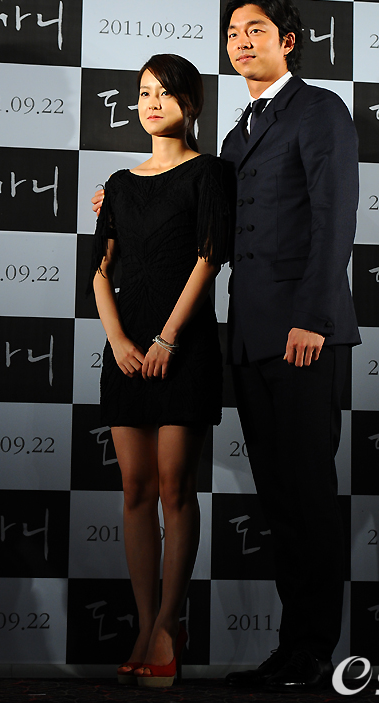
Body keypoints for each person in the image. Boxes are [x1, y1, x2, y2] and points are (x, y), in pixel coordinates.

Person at [92, 0, 360, 691]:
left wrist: (315, 317)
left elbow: (335, 217)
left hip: (303, 333)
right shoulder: (237, 136)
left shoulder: (320, 110)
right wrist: (124, 201)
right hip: (248, 338)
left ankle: (314, 650)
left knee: (308, 492)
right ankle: (292, 648)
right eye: (234, 32)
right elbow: (203, 213)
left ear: (287, 41)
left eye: (256, 30)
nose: (242, 41)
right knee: (279, 499)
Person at [89, 53, 230, 688]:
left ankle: (169, 626)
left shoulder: (210, 173)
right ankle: (144, 625)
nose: (151, 104)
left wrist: (166, 339)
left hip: (184, 346)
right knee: (134, 490)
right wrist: (119, 341)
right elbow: (100, 270)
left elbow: (209, 258)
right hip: (127, 352)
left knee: (176, 488)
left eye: (165, 94)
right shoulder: (118, 184)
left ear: (190, 104)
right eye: (144, 93)